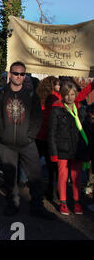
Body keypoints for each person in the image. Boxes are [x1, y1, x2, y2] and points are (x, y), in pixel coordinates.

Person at [0, 61, 55, 220]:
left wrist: (30, 135)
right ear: (10, 74)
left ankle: (37, 206)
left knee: (35, 175)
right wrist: (2, 134)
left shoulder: (31, 95)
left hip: (27, 143)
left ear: (24, 76)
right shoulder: (0, 93)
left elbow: (37, 118)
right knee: (9, 176)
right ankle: (12, 204)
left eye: (21, 74)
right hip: (7, 144)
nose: (18, 76)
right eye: (15, 73)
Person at [48, 81, 91, 215]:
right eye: (67, 94)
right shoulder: (57, 109)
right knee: (62, 175)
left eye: (72, 94)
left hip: (77, 147)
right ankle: (63, 202)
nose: (70, 97)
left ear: (76, 95)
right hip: (62, 148)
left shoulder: (81, 109)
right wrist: (53, 152)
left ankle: (77, 202)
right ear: (62, 95)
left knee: (76, 177)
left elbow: (87, 130)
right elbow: (52, 132)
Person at [35, 76, 61, 200]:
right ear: (52, 86)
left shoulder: (39, 97)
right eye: (57, 85)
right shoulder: (57, 98)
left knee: (34, 164)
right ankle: (50, 190)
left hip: (39, 134)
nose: (59, 87)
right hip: (50, 137)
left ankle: (34, 187)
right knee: (52, 167)